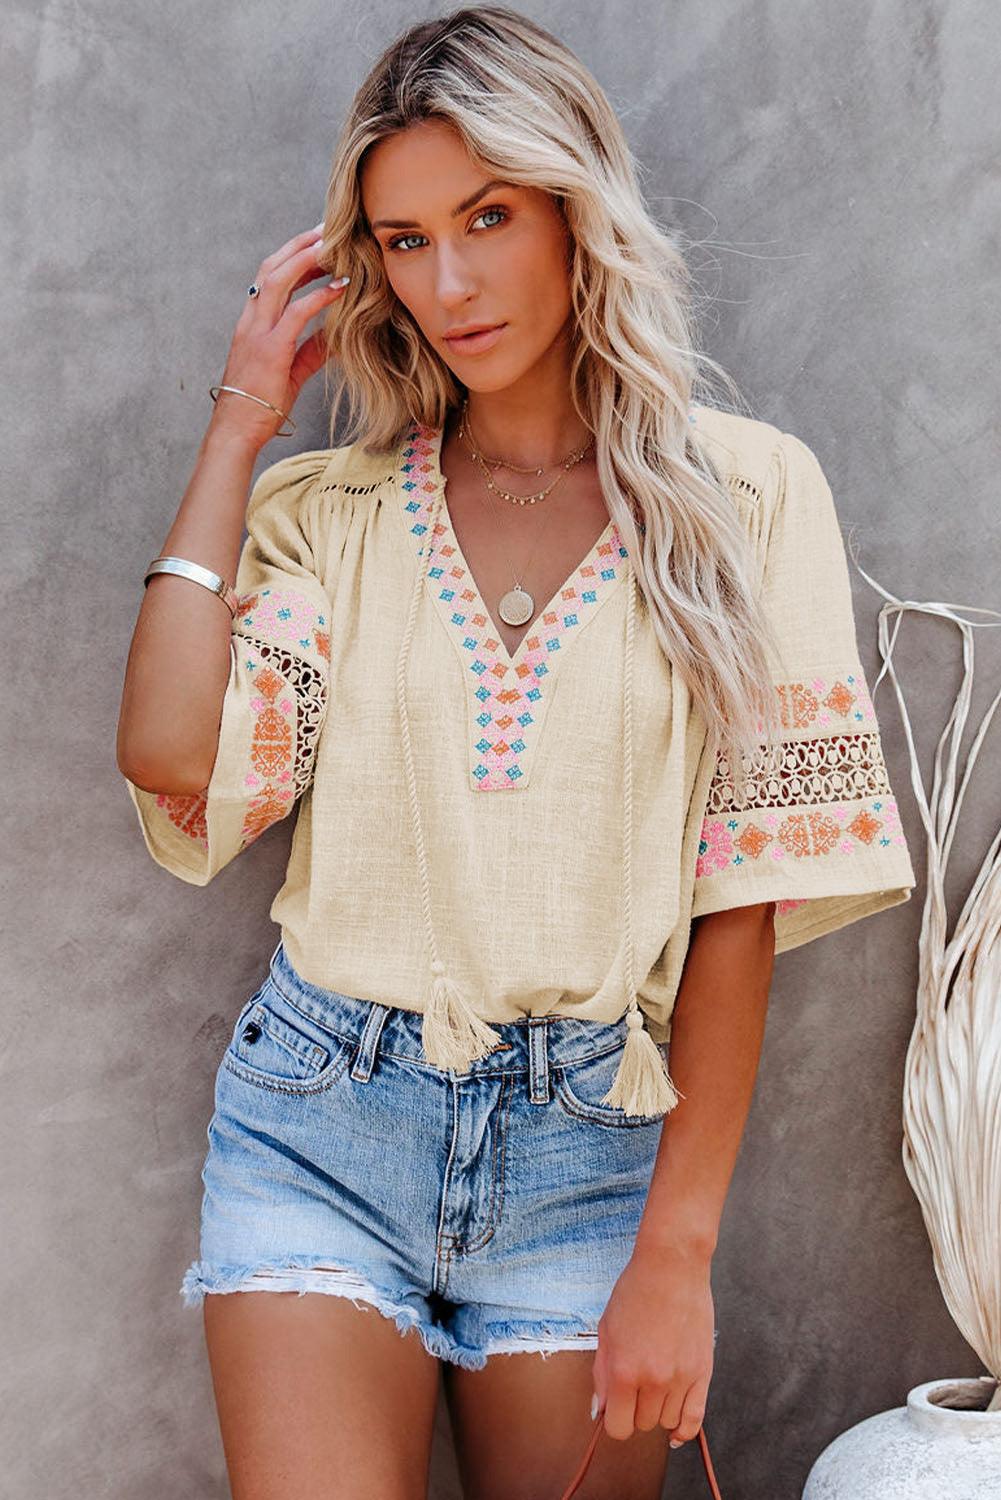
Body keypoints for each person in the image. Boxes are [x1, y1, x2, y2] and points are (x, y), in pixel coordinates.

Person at [116, 7, 917, 1497]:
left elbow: (740, 899)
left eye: (487, 216)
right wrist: (238, 427)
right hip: (318, 1124)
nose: (451, 282)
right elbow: (169, 753)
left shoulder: (743, 500)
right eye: (406, 240)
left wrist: (675, 1257)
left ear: (573, 207)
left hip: (591, 1157)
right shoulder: (334, 515)